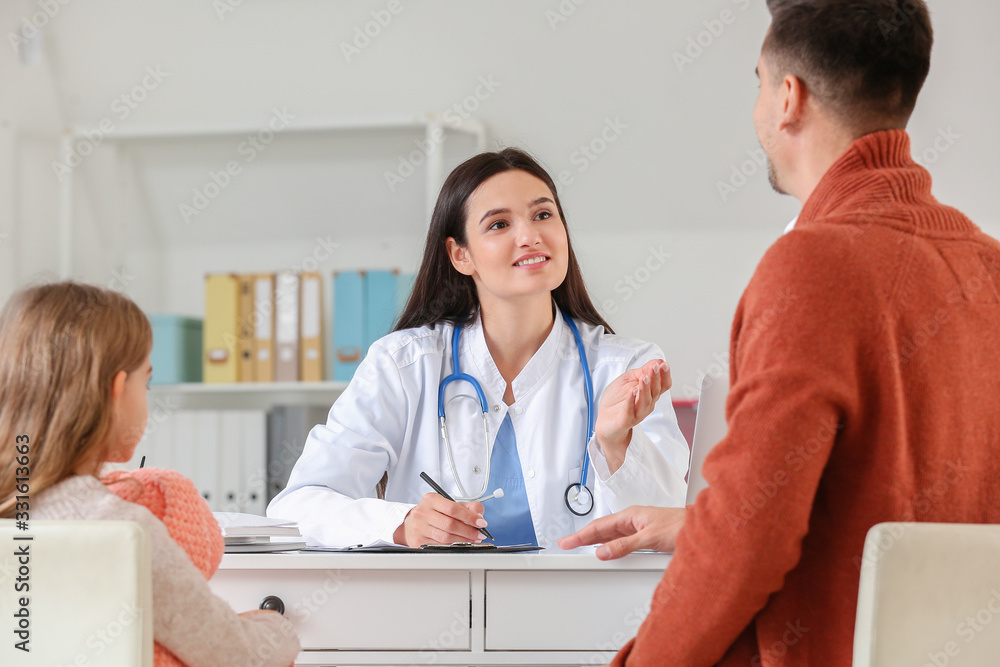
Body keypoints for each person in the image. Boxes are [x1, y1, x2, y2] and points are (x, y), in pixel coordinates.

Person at [559, 0, 1000, 664]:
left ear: (788, 97)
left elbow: (745, 536)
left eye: (759, 81)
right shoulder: (987, 265)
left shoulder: (811, 266)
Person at [268, 148, 689, 549]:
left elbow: (673, 524)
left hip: (585, 612)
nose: (530, 235)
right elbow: (298, 506)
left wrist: (616, 443)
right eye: (499, 225)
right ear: (460, 255)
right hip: (433, 612)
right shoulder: (404, 365)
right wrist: (399, 524)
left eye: (543, 214)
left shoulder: (625, 368)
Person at [0, 282, 300, 667]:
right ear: (116, 390)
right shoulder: (125, 529)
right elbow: (237, 655)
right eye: (147, 380)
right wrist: (275, 628)